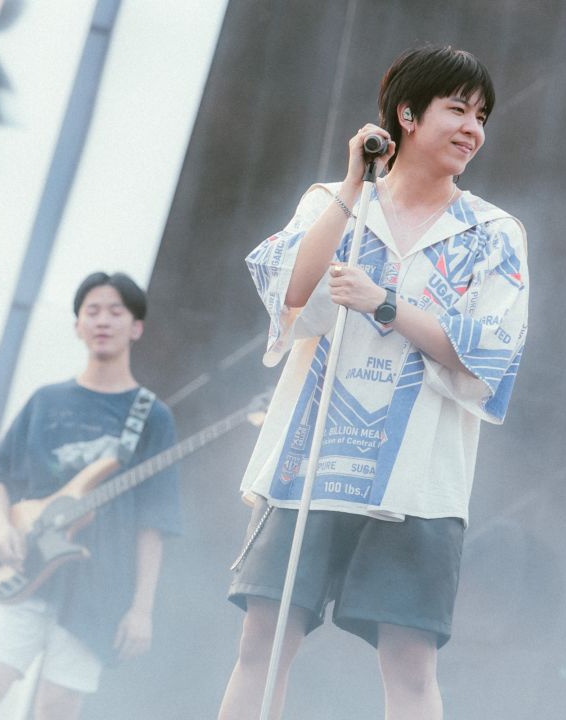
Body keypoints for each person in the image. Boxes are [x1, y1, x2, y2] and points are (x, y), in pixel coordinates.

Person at [218, 46, 529, 720]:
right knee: (262, 641)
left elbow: (489, 354)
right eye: (458, 109)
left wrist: (385, 304)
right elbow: (291, 293)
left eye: (481, 116)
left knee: (410, 664)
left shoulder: (494, 233)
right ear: (407, 115)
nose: (472, 128)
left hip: (418, 478)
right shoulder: (333, 202)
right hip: (309, 459)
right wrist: (354, 184)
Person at [0, 272, 183, 720]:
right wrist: (0, 527)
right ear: (78, 325)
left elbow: (153, 522)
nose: (103, 321)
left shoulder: (152, 417)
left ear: (136, 327)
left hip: (99, 587)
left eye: (116, 312)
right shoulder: (47, 401)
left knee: (57, 709)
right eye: (92, 311)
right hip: (25, 571)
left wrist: (141, 609)